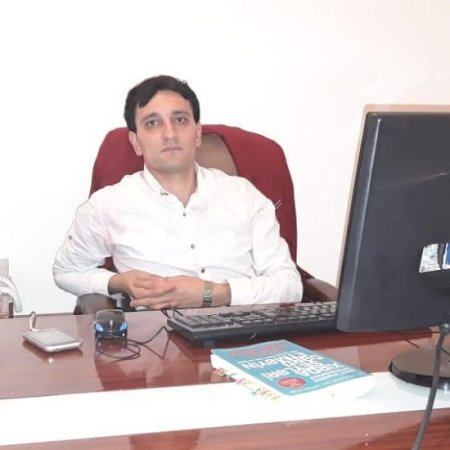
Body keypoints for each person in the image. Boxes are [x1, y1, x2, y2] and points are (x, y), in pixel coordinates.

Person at [53, 75, 302, 310]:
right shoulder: (107, 205)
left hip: (247, 331)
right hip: (158, 335)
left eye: (180, 120)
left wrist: (215, 293)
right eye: (152, 123)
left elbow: (290, 285)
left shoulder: (244, 195)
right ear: (136, 142)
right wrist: (118, 282)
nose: (170, 134)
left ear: (197, 134)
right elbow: (66, 271)